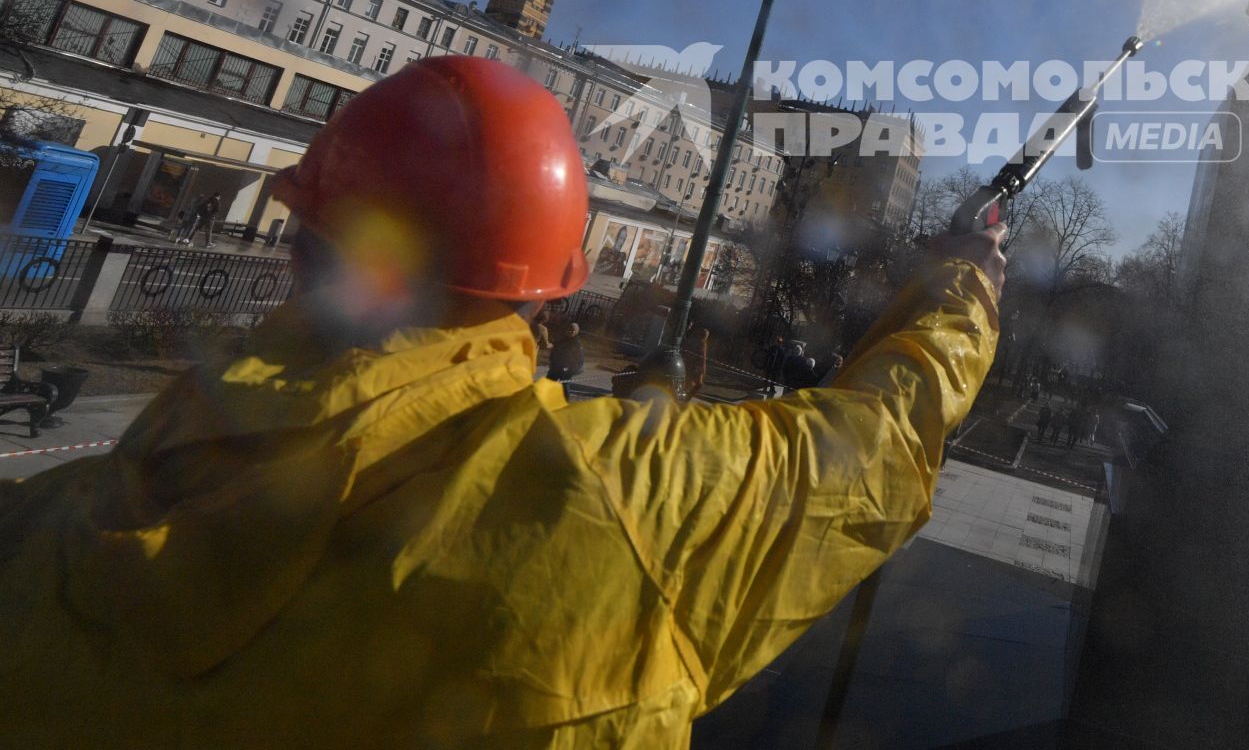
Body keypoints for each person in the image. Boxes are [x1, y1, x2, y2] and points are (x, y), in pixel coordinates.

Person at [0, 56, 1005, 749]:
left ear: (302, 243)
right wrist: (962, 279)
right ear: (541, 287)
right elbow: (871, 446)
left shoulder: (57, 522)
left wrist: (636, 418)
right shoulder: (624, 502)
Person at [546, 319, 584, 384]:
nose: (570, 331)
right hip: (555, 367)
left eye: (573, 330)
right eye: (569, 329)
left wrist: (570, 369)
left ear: (576, 332)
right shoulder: (562, 340)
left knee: (564, 386)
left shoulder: (577, 344)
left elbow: (580, 359)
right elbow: (554, 349)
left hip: (566, 369)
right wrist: (552, 360)